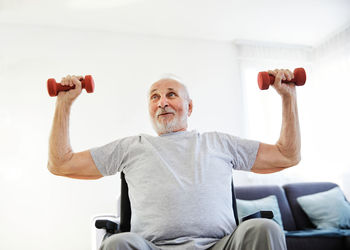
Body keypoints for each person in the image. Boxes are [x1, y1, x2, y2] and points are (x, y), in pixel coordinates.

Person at [48, 69, 301, 250]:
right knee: (117, 244)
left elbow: (286, 155)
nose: (162, 103)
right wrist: (64, 103)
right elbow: (61, 163)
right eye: (154, 97)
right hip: (153, 247)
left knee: (264, 228)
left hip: (221, 245)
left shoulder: (220, 143)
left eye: (171, 95)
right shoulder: (131, 147)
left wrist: (288, 97)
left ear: (189, 107)